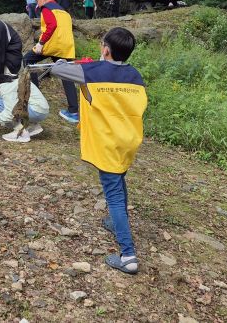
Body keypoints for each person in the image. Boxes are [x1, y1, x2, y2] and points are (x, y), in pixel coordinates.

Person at [50, 27, 147, 274]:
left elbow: (57, 69)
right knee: (120, 179)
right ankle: (117, 224)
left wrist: (72, 62)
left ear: (105, 49)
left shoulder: (93, 71)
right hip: (128, 140)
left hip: (108, 142)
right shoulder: (135, 75)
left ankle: (128, 256)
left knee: (113, 195)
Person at [23, 0, 80, 123]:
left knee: (27, 60)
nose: (37, 4)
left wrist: (41, 43)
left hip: (53, 45)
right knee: (67, 76)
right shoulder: (63, 10)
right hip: (66, 47)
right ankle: (73, 112)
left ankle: (36, 97)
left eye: (38, 1)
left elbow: (51, 25)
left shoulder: (46, 8)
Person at [0, 74, 49, 143]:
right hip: (40, 110)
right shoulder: (1, 83)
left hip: (36, 110)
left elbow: (9, 114)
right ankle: (31, 126)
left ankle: (21, 133)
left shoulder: (5, 89)